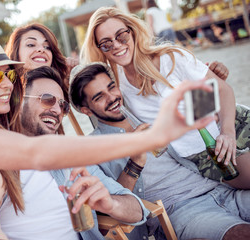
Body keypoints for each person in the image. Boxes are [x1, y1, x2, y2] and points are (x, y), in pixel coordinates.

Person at [0, 31, 212, 239]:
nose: (6, 85)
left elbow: (133, 209)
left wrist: (108, 203)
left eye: (10, 75)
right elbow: (36, 153)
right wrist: (153, 136)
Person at [0, 66, 149, 240]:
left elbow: (139, 209)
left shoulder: (70, 162)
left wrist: (110, 203)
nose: (56, 110)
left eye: (62, 105)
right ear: (18, 100)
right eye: (46, 99)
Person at [69, 62, 250, 240]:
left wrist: (211, 80)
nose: (112, 98)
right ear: (86, 110)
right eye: (99, 97)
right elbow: (113, 207)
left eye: (112, 87)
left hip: (220, 188)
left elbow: (200, 113)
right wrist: (135, 162)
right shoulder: (93, 148)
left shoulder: (146, 110)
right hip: (181, 210)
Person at [80, 6, 250, 187]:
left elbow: (223, 90)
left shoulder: (171, 57)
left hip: (231, 123)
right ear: (99, 49)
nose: (116, 45)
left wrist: (227, 132)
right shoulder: (115, 85)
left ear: (133, 32)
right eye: (106, 43)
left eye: (121, 35)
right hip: (200, 151)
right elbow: (84, 88)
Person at [4, 22, 79, 134]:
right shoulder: (3, 97)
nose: (41, 49)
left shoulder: (62, 93)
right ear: (16, 51)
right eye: (31, 45)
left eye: (47, 47)